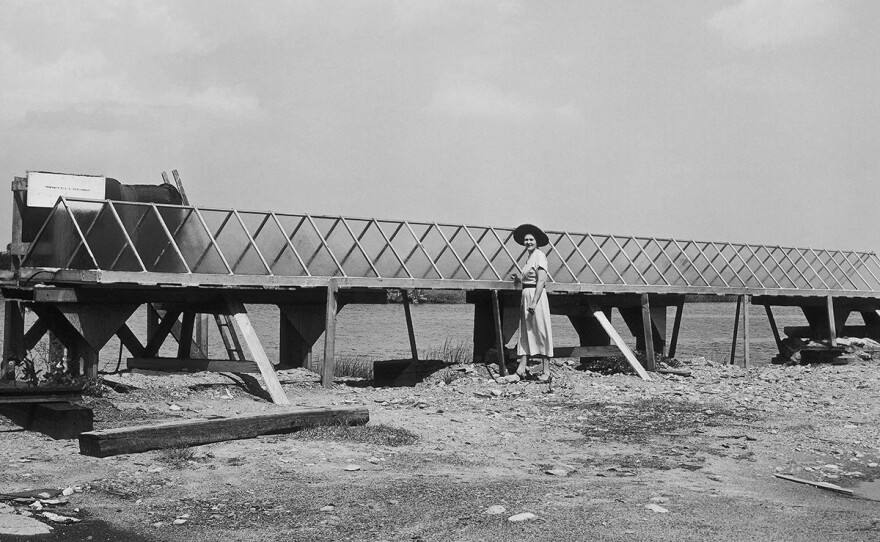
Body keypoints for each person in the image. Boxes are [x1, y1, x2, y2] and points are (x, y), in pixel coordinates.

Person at [510, 223, 553, 381]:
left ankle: (546, 371)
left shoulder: (540, 255)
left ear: (537, 241)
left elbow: (541, 280)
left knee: (540, 330)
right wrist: (518, 278)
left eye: (531, 239)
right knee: (526, 331)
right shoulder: (529, 257)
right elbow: (529, 279)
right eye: (526, 240)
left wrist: (534, 302)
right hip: (526, 294)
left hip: (536, 296)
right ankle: (521, 369)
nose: (528, 242)